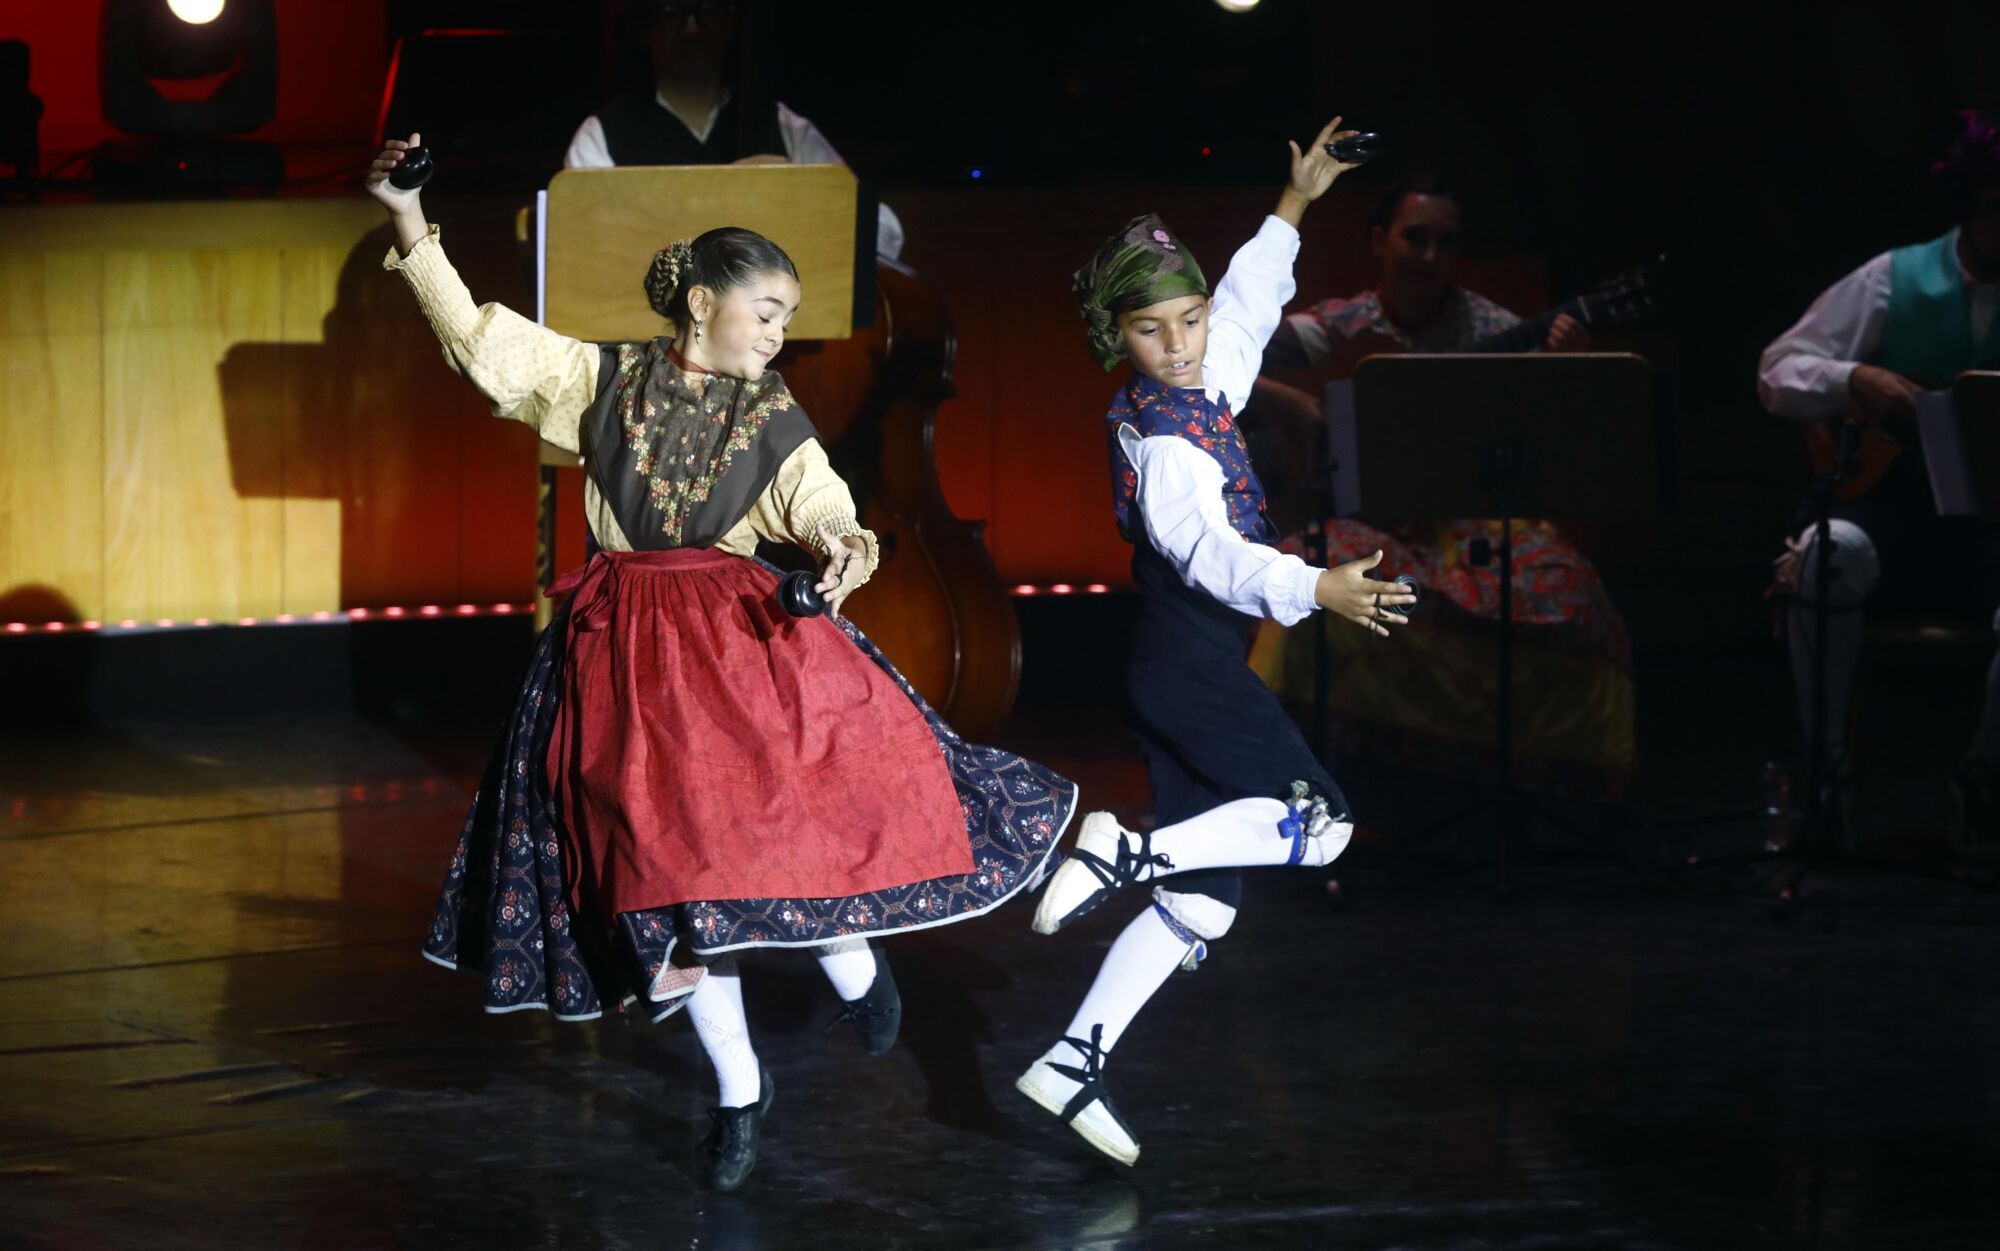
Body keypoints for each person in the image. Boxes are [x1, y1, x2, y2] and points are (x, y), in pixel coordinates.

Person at [365, 135, 1074, 1191]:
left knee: (796, 824)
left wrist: (840, 546)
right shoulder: (595, 379)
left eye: (787, 316)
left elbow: (821, 500)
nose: (779, 334)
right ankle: (740, 1092)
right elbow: (478, 346)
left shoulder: (769, 412)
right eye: (766, 313)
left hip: (740, 645)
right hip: (624, 654)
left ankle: (851, 964)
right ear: (701, 302)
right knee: (671, 887)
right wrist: (408, 221)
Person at [1014, 119, 1411, 1168]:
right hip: (1182, 660)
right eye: (1153, 330)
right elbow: (1210, 559)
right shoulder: (1158, 443)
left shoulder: (1204, 387)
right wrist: (1310, 585)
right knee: (1318, 827)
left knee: (1201, 905)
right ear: (1118, 340)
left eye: (1184, 322)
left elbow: (1244, 306)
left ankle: (1069, 1060)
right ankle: (1123, 849)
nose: (1182, 343)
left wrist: (1294, 204)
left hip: (1183, 665)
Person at [1246, 176, 1633, 801]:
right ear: (1380, 241)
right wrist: (1290, 400)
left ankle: (1519, 794)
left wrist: (1567, 365)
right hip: (1367, 523)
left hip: (1471, 525)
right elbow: (1219, 358)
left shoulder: (1499, 328)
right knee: (1302, 587)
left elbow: (1556, 435)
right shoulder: (1344, 325)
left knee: (1574, 595)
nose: (1429, 257)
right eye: (1415, 238)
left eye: (1444, 244)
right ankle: (1305, 790)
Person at [1759, 108, 2000, 840]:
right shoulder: (1895, 278)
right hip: (1895, 510)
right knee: (1821, 559)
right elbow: (1778, 370)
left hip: (1994, 528)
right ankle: (1827, 768)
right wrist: (1855, 377)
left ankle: (1985, 779)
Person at [564, 0, 905, 260]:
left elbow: (886, 234)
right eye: (672, 12)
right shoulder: (601, 135)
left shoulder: (783, 126)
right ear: (646, 29)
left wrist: (804, 193)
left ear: (730, 22)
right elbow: (579, 247)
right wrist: (730, 198)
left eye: (708, 10)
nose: (691, 28)